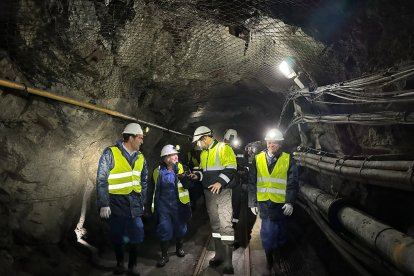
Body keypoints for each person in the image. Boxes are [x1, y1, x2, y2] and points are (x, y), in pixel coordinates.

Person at [96, 122, 148, 276]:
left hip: (135, 202)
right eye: (140, 137)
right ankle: (120, 263)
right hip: (116, 202)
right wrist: (104, 203)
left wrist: (142, 202)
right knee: (117, 235)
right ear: (130, 138)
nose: (142, 141)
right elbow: (102, 179)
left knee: (137, 234)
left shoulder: (141, 157)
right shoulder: (110, 153)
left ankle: (132, 266)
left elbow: (144, 181)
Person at [248, 128, 298, 275]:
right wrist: (252, 202)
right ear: (266, 142)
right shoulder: (257, 159)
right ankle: (270, 258)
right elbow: (252, 182)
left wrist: (290, 201)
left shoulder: (288, 160)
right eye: (269, 142)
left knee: (281, 233)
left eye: (274, 142)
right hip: (265, 203)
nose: (271, 144)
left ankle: (279, 254)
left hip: (280, 204)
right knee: (268, 234)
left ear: (280, 144)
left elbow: (292, 182)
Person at [191, 126, 238, 274]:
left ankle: (228, 262)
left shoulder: (224, 148)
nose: (198, 145)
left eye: (199, 142)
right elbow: (204, 173)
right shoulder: (204, 154)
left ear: (205, 138)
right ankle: (219, 255)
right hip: (209, 194)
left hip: (223, 192)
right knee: (215, 225)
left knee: (226, 225)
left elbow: (231, 168)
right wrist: (197, 176)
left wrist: (220, 182)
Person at [152, 145, 192, 267]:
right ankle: (164, 256)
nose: (176, 156)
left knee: (180, 228)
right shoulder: (157, 171)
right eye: (172, 155)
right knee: (164, 229)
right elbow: (155, 190)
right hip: (164, 206)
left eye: (176, 154)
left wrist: (184, 178)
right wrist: (155, 208)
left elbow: (189, 186)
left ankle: (179, 248)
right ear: (165, 158)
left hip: (178, 205)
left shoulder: (182, 168)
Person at [223, 129, 247, 249]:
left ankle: (234, 234)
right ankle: (226, 237)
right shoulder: (220, 151)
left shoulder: (239, 152)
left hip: (235, 185)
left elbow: (244, 167)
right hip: (224, 186)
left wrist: (242, 172)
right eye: (228, 139)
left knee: (235, 210)